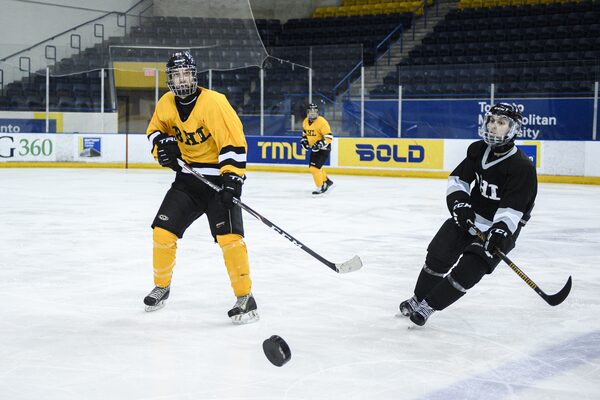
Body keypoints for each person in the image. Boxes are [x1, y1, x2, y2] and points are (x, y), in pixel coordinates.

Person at [143, 51, 258, 324]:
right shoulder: (166, 103)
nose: (181, 80)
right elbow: (155, 132)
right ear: (169, 79)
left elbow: (233, 141)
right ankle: (162, 286)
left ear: (195, 76)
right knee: (162, 232)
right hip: (188, 180)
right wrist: (164, 150)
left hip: (218, 181)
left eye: (186, 74)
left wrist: (232, 179)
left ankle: (245, 297)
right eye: (175, 75)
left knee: (230, 240)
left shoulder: (215, 103)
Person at [399, 103, 537, 326]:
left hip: (500, 228)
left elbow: (514, 207)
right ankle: (418, 298)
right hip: (471, 217)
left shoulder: (522, 167)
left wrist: (499, 231)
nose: (493, 127)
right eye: (491, 121)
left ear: (513, 130)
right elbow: (458, 180)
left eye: (501, 123)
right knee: (438, 254)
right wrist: (460, 205)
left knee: (470, 270)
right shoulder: (477, 150)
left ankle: (429, 306)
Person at [301, 103, 334, 195]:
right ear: (307, 113)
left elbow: (329, 137)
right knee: (315, 167)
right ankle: (327, 182)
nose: (312, 114)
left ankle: (321, 186)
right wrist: (304, 140)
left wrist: (320, 144)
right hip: (314, 149)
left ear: (317, 112)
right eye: (310, 112)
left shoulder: (322, 122)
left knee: (314, 169)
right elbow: (305, 133)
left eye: (314, 112)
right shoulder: (305, 121)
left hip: (324, 148)